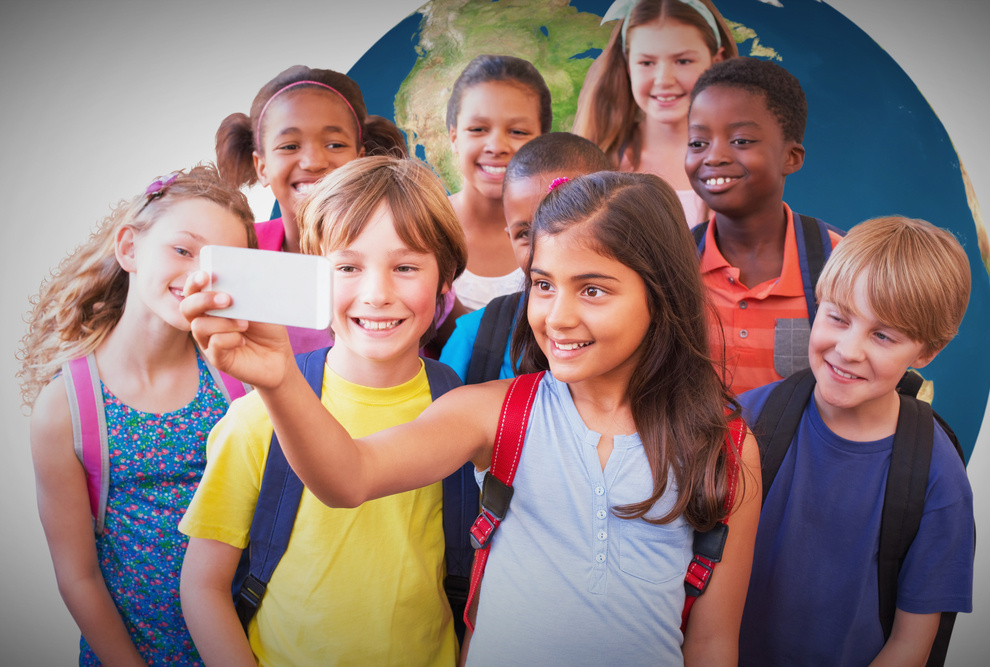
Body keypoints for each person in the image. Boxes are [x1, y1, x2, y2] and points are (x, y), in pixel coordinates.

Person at [182, 170, 761, 665]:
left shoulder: (727, 449)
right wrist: (280, 379)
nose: (556, 316)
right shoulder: (489, 411)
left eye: (593, 290)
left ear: (660, 294)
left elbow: (712, 642)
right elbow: (349, 477)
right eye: (542, 285)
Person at [178, 156, 469, 666]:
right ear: (314, 276)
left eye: (405, 267)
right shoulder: (255, 420)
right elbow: (203, 586)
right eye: (348, 267)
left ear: (445, 278)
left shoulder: (465, 417)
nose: (377, 294)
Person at [16, 165, 256, 666]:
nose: (197, 275)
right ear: (129, 248)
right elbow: (77, 576)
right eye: (183, 249)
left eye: (219, 262)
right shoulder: (66, 409)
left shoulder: (237, 385)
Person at [736, 215, 975, 666]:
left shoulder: (936, 475)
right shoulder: (743, 422)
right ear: (817, 304)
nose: (848, 349)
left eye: (883, 335)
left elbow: (911, 645)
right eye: (838, 318)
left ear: (925, 352)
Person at [216, 64, 407, 354]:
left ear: (360, 159)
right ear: (262, 166)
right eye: (290, 146)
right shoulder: (236, 252)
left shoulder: (407, 250)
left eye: (334, 144)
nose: (314, 162)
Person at [685, 56, 843, 395]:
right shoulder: (671, 263)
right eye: (698, 143)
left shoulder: (841, 262)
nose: (713, 157)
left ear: (791, 157)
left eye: (741, 141)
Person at [439, 132, 611, 383]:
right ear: (509, 237)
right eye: (526, 233)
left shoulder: (642, 327)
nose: (545, 245)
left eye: (566, 222)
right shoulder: (475, 336)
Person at [573, 0, 737, 228]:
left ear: (716, 62)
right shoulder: (595, 163)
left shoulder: (742, 161)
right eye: (647, 62)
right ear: (628, 66)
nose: (664, 80)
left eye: (683, 61)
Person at [446, 54, 552, 311]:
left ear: (542, 141)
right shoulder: (421, 227)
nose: (496, 147)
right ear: (454, 137)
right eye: (478, 129)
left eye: (517, 132)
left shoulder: (563, 233)